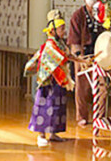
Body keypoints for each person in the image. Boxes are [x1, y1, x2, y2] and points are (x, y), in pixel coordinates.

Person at [25, 10, 75, 147]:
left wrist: (79, 60)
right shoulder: (50, 45)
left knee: (58, 107)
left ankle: (53, 133)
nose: (64, 31)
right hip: (48, 81)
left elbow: (66, 55)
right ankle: (41, 134)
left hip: (58, 80)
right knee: (45, 106)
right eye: (61, 28)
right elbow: (60, 57)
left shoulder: (60, 43)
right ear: (53, 30)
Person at [68, 0, 102, 126]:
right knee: (82, 86)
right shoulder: (78, 15)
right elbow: (74, 39)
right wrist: (78, 56)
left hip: (99, 52)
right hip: (82, 52)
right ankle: (81, 116)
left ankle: (99, 115)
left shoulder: (102, 13)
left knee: (101, 85)